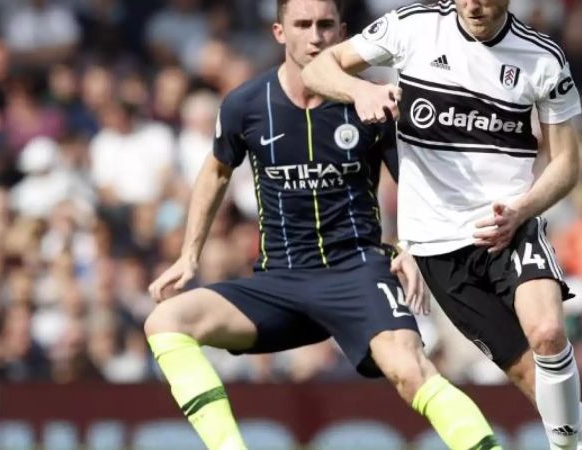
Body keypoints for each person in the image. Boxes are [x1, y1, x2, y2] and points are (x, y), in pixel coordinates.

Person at [143, 1, 502, 449]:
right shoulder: (246, 105)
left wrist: (411, 244)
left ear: (343, 33)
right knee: (165, 321)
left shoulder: (372, 102)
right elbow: (216, 170)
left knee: (410, 368)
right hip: (280, 283)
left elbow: (414, 179)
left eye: (326, 25)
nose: (315, 36)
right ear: (279, 32)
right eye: (303, 25)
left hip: (357, 272)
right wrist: (188, 254)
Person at [302, 1, 582, 448]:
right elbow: (317, 69)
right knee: (541, 390)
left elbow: (566, 163)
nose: (473, 5)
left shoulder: (542, 57)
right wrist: (360, 91)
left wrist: (523, 209)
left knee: (549, 334)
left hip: (509, 228)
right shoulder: (413, 27)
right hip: (440, 249)